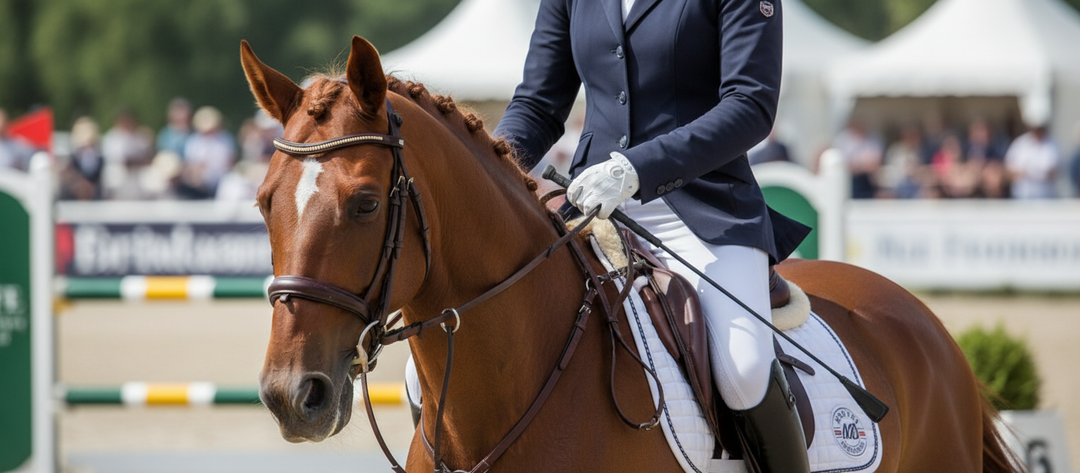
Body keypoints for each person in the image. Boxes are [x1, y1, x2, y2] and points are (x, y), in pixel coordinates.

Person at [493, 1, 811, 471]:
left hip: (703, 207)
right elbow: (538, 104)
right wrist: (489, 167)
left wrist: (636, 169)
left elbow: (750, 105)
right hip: (591, 202)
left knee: (743, 370)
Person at [1004, 124, 1059, 199]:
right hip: (1021, 196)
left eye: (1039, 129)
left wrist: (1034, 173)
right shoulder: (1020, 143)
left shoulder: (1052, 144)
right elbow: (1007, 169)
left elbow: (1055, 170)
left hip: (1045, 197)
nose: (1037, 132)